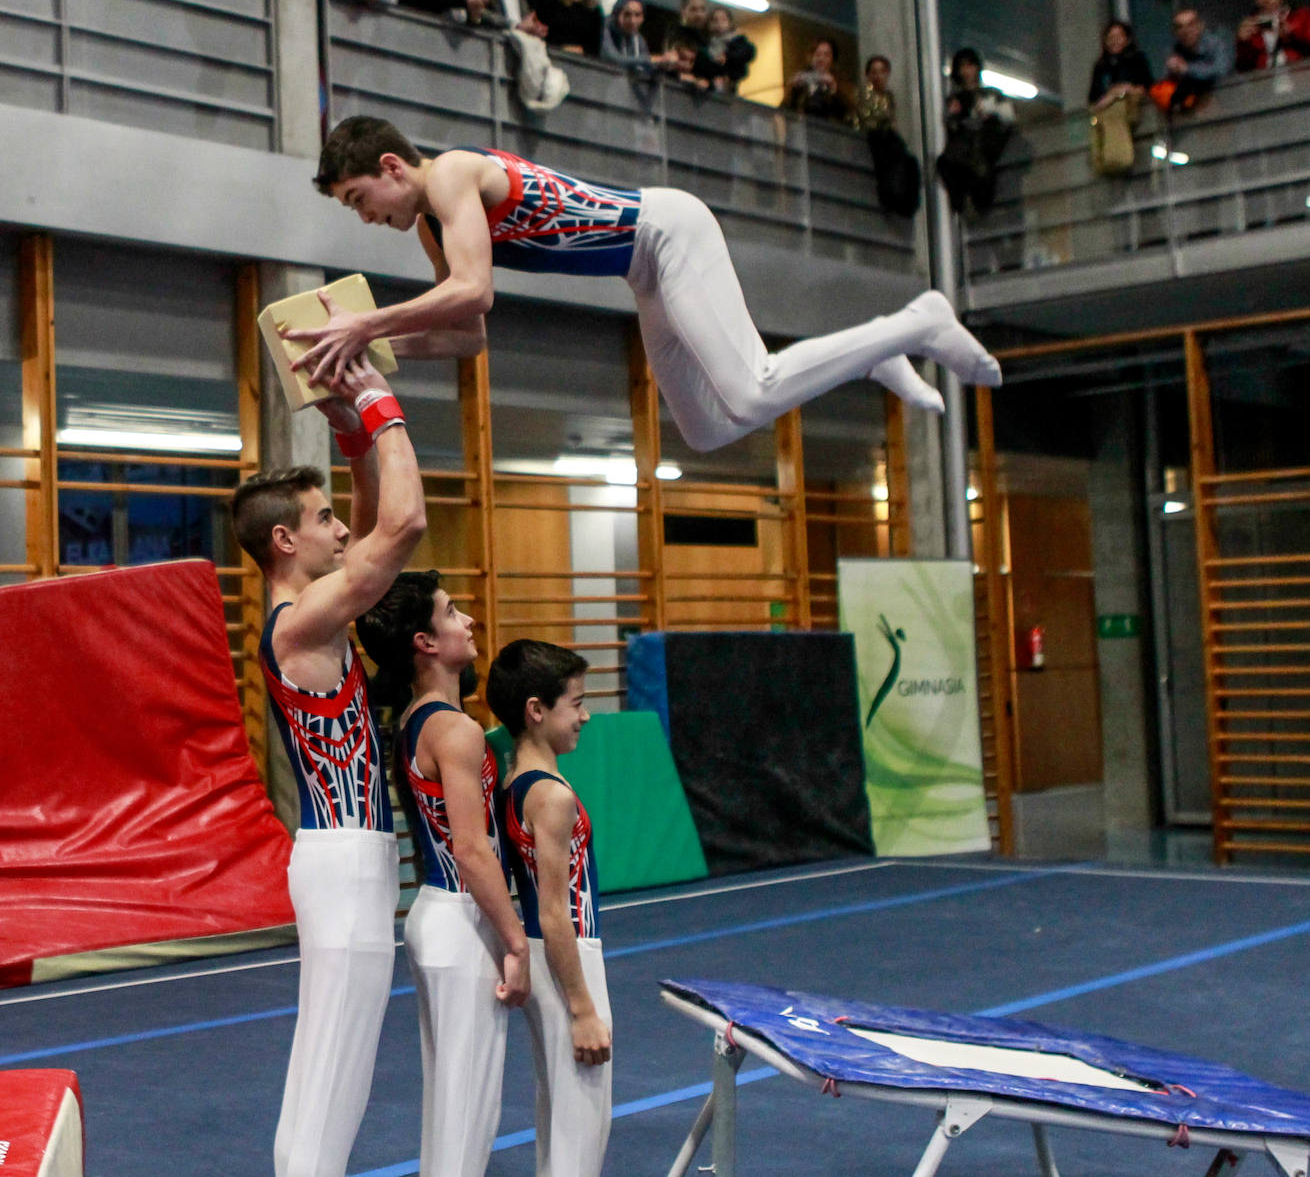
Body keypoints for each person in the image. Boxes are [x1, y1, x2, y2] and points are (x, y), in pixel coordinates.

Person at [291, 117, 1006, 455]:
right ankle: (871, 351)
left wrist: (365, 324)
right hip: (643, 272)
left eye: (359, 198)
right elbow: (468, 335)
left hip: (668, 233)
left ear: (391, 166)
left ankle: (918, 321)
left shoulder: (448, 176)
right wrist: (371, 356)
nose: (366, 217)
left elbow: (475, 292)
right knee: (709, 428)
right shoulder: (433, 228)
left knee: (752, 388)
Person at [228, 357, 427, 1177]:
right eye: (322, 519)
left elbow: (375, 521)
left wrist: (349, 426)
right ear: (284, 540)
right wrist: (380, 397)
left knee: (336, 1065)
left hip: (350, 855)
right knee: (331, 1068)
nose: (340, 529)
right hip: (342, 858)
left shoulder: (308, 612)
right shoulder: (301, 621)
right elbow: (404, 525)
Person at [355, 572, 530, 1177]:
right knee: (468, 1098)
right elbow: (473, 851)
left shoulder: (414, 720)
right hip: (461, 915)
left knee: (455, 1094)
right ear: (426, 642)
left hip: (436, 912)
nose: (469, 621)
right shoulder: (454, 730)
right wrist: (514, 942)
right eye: (453, 612)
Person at [487, 640, 610, 1177]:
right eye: (575, 703)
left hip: (549, 954)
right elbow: (556, 911)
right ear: (536, 710)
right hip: (569, 953)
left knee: (560, 1118)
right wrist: (583, 1008)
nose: (585, 715)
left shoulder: (518, 779)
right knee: (582, 1125)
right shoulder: (551, 796)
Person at [936, 47, 1014, 215]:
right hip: (964, 152)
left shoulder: (991, 94)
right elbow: (952, 125)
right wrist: (954, 115)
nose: (967, 71)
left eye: (970, 65)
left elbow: (1008, 116)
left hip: (985, 148)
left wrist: (989, 111)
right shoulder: (955, 99)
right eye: (962, 67)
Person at [854, 56, 920, 217]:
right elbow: (869, 118)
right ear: (868, 75)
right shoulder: (864, 95)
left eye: (882, 72)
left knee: (910, 163)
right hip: (873, 137)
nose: (878, 76)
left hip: (886, 137)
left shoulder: (888, 97)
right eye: (874, 72)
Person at [1152, 8, 1229, 113]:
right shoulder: (1174, 51)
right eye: (1180, 27)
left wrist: (1187, 69)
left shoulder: (1215, 44)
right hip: (1189, 113)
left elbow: (1222, 71)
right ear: (1175, 32)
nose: (1185, 31)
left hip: (1222, 103)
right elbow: (1165, 84)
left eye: (1190, 25)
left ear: (1200, 26)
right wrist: (1172, 73)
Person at [1235, 0, 1310, 72]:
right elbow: (1242, 67)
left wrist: (1291, 35)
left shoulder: (1301, 16)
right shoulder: (1250, 25)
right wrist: (1243, 43)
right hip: (1265, 77)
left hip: (1299, 71)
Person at [600, 0, 676, 72]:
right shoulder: (605, 29)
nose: (632, 21)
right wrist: (653, 60)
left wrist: (663, 64)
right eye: (627, 14)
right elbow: (613, 59)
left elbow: (646, 68)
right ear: (616, 15)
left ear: (643, 18)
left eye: (637, 15)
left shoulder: (639, 40)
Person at [1087, 21, 1152, 109]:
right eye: (1110, 38)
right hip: (1108, 114)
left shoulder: (1137, 59)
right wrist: (1112, 94)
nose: (1114, 41)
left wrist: (1126, 89)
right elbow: (1093, 99)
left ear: (1127, 39)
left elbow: (1148, 86)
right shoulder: (1101, 66)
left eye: (1118, 37)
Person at [786, 39, 848, 120]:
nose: (821, 58)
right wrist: (792, 89)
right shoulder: (802, 81)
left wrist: (834, 89)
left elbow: (844, 112)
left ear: (832, 60)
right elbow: (786, 109)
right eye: (817, 54)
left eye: (826, 55)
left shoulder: (840, 83)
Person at [705, 6, 756, 91]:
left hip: (728, 84)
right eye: (715, 20)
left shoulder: (737, 41)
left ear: (730, 23)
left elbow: (748, 52)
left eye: (723, 20)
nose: (719, 23)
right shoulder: (706, 43)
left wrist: (727, 56)